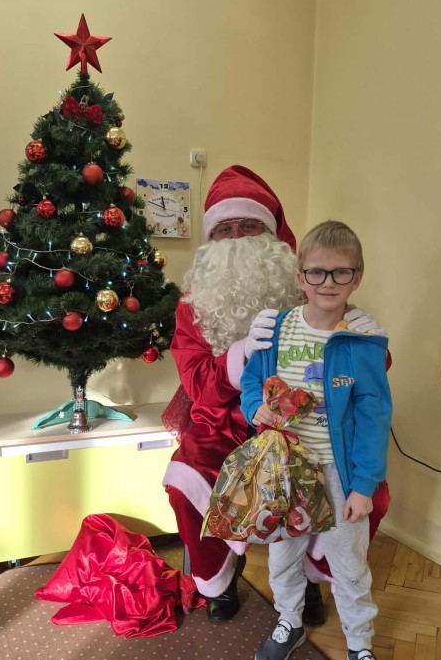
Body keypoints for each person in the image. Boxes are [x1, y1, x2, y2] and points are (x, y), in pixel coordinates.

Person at [162, 166, 388, 624]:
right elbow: (196, 381)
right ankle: (220, 576)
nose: (237, 238)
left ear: (271, 235)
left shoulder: (303, 282)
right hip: (222, 417)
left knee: (366, 488)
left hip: (306, 420)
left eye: (249, 226)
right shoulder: (193, 303)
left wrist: (370, 341)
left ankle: (309, 577)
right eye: (225, 229)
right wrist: (242, 354)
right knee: (187, 478)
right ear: (211, 239)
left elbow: (359, 378)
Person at [240, 220, 393, 660]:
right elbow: (250, 382)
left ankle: (360, 645)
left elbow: (374, 415)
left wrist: (363, 485)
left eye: (341, 273)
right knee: (283, 556)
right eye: (317, 273)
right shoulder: (277, 329)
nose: (328, 283)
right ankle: (289, 621)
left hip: (339, 475)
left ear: (357, 277)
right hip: (286, 472)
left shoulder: (361, 342)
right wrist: (255, 408)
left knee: (350, 565)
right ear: (300, 277)